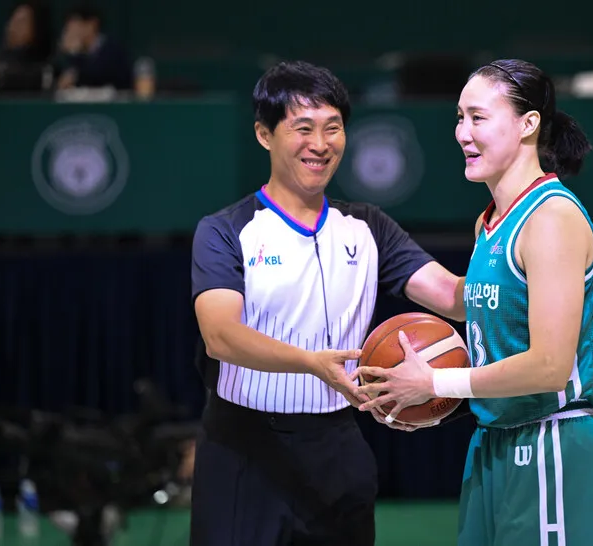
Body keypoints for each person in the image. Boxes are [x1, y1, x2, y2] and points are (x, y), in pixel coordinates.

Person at [189, 60, 466, 546]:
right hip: (243, 449)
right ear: (264, 134)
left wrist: (516, 252)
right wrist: (311, 363)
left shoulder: (368, 226)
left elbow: (452, 297)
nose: (320, 144)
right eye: (303, 128)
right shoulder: (225, 230)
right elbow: (220, 336)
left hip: (337, 446)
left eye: (332, 128)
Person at [355, 59, 593, 545]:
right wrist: (383, 250)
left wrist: (435, 382)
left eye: (478, 117)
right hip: (494, 442)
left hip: (551, 444)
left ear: (528, 124)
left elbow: (549, 366)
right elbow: (467, 299)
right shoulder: (492, 221)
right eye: (460, 117)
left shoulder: (551, 218)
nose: (462, 133)